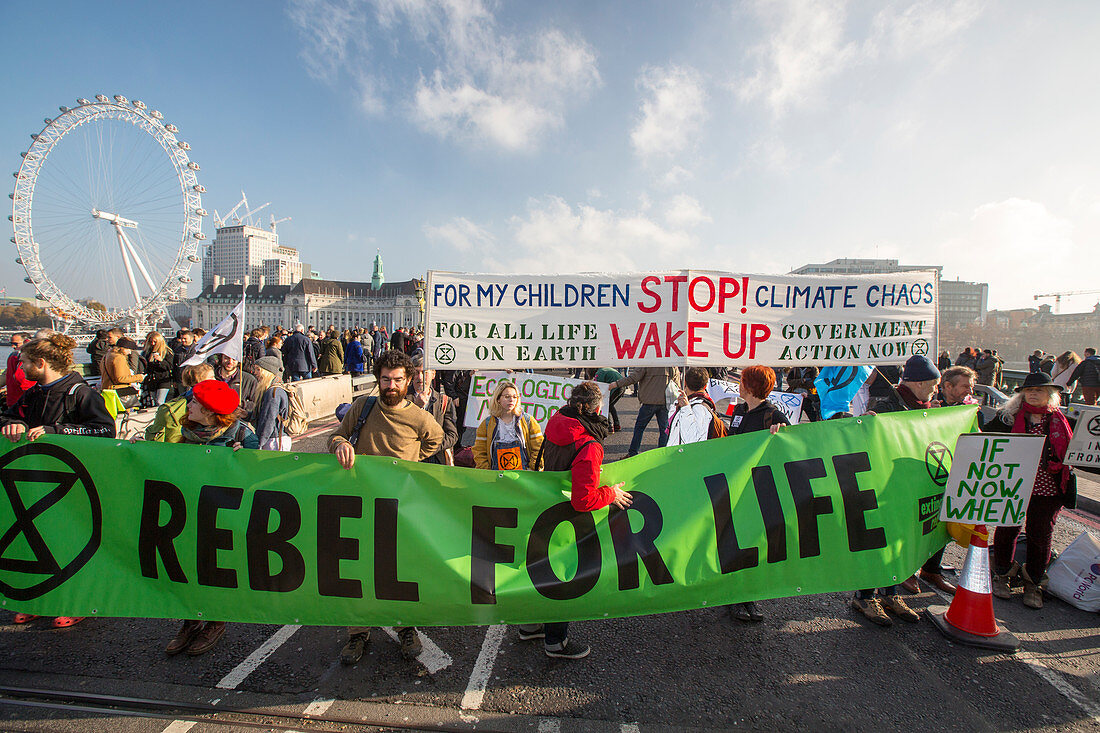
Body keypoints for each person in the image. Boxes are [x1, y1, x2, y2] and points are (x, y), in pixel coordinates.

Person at [328, 350, 443, 666]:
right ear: (378, 380)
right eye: (385, 379)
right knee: (360, 569)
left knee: (400, 570)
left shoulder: (420, 417)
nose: (390, 385)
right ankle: (357, 632)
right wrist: (341, 444)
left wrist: (414, 461)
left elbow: (437, 440)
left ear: (408, 381)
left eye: (397, 380)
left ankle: (406, 627)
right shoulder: (362, 407)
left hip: (400, 507)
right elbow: (336, 436)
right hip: (362, 503)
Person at [1, 333, 115, 628]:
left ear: (40, 363)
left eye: (23, 363)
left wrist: (57, 430)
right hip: (37, 478)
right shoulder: (35, 392)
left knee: (73, 543)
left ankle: (77, 601)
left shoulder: (81, 393)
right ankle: (40, 599)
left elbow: (105, 430)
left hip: (75, 481)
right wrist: (13, 423)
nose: (18, 370)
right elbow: (6, 415)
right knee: (40, 539)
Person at [516, 381, 630, 658]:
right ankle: (556, 642)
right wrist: (611, 493)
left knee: (541, 569)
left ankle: (530, 626)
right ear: (599, 407)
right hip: (566, 517)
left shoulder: (557, 419)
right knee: (564, 577)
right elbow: (584, 499)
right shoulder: (589, 445)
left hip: (546, 505)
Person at [160, 379, 258, 656]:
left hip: (225, 515)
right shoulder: (186, 430)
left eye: (194, 403)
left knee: (217, 568)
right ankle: (190, 621)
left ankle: (216, 621)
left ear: (209, 411)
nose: (188, 405)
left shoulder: (242, 435)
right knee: (188, 567)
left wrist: (248, 458)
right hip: (189, 510)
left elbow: (262, 474)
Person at [851, 356, 939, 626]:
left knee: (900, 541)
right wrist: (867, 425)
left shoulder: (925, 408)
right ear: (920, 383)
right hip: (886, 487)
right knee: (880, 541)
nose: (936, 389)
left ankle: (889, 593)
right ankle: (865, 596)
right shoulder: (887, 406)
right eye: (933, 384)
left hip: (910, 486)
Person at [986, 372, 1075, 608]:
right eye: (1030, 390)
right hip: (1013, 485)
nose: (1034, 394)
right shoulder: (1007, 418)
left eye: (1040, 390)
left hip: (1048, 489)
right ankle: (1002, 574)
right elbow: (984, 439)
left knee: (1041, 534)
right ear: (1023, 393)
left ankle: (1034, 582)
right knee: (1007, 529)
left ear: (1050, 395)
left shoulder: (1060, 420)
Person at [723, 365, 789, 622]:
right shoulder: (738, 410)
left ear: (750, 386)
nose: (737, 384)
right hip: (735, 484)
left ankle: (747, 596)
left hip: (758, 487)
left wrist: (780, 435)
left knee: (751, 541)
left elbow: (793, 445)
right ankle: (733, 595)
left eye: (741, 381)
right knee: (734, 539)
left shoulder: (773, 415)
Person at [473, 380, 544, 470]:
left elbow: (539, 449)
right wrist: (487, 472)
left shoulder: (528, 421)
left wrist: (532, 470)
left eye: (515, 397)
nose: (511, 400)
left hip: (523, 477)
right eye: (507, 397)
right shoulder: (486, 424)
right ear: (498, 399)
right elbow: (479, 451)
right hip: (497, 477)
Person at [612, 367, 681, 456]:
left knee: (639, 428)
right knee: (664, 430)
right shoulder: (671, 364)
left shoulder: (648, 362)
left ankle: (632, 453)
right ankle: (662, 454)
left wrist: (616, 384)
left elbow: (633, 378)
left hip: (649, 401)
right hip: (665, 401)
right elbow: (677, 384)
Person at [145, 363, 215, 443]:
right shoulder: (201, 399)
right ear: (199, 379)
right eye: (211, 377)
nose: (215, 380)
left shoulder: (182, 398)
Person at [410, 360, 458, 464]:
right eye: (416, 372)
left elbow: (452, 435)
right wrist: (415, 408)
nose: (420, 377)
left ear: (433, 374)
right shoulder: (402, 400)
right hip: (409, 460)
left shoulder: (444, 401)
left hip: (436, 460)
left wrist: (429, 448)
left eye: (425, 372)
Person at [668, 367, 725, 446]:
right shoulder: (683, 403)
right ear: (705, 386)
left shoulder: (699, 408)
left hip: (687, 455)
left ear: (685, 383)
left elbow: (692, 439)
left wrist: (685, 409)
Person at [250, 355, 291, 451]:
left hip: (273, 441)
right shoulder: (275, 389)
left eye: (258, 369)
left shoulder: (273, 393)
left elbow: (268, 420)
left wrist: (260, 442)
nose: (254, 373)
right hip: (274, 439)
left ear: (267, 372)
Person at [140, 331, 176, 406]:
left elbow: (170, 366)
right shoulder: (147, 352)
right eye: (151, 342)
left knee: (160, 401)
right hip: (152, 380)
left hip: (163, 380)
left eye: (155, 342)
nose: (152, 344)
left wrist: (161, 361)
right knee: (154, 401)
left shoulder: (167, 352)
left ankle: (160, 415)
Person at [5, 332, 34, 408]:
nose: (13, 346)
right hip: (22, 402)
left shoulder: (13, 356)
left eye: (15, 344)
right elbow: (21, 378)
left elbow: (7, 376)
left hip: (13, 401)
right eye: (11, 343)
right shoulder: (20, 357)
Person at [594, 366, 625, 432]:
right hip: (621, 386)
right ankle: (616, 424)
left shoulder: (599, 373)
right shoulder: (605, 369)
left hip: (616, 387)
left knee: (606, 406)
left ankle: (610, 425)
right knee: (610, 405)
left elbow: (597, 386)